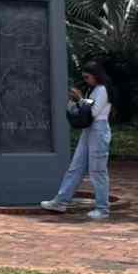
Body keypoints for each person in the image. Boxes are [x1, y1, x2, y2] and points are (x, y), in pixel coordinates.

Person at [41, 61, 113, 220]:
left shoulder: (102, 90)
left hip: (99, 130)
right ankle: (60, 201)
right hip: (89, 130)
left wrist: (80, 99)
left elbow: (93, 113)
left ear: (96, 75)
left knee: (97, 171)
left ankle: (102, 209)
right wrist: (76, 100)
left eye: (87, 77)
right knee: (76, 167)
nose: (86, 80)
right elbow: (85, 111)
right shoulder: (93, 90)